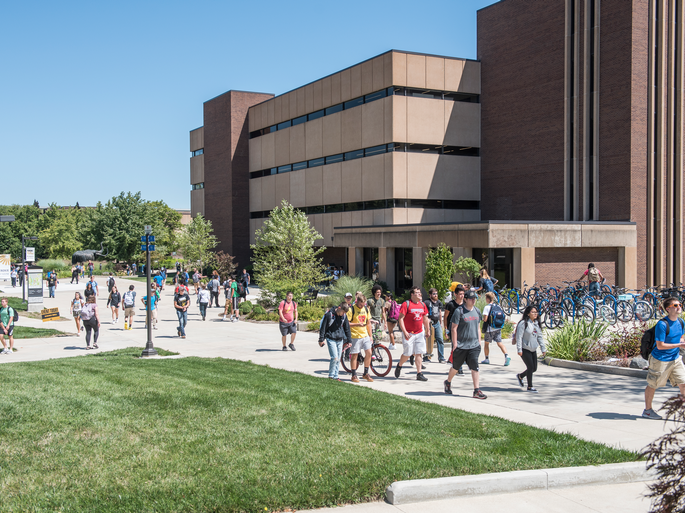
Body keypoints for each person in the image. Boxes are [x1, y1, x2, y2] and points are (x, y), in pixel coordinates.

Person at [642, 296, 685, 419]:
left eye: (680, 305)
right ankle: (648, 410)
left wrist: (682, 344)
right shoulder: (662, 324)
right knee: (653, 385)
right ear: (668, 309)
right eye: (675, 305)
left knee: (683, 383)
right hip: (660, 360)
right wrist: (680, 345)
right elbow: (660, 346)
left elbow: (680, 338)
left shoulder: (681, 322)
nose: (679, 307)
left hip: (675, 359)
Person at [444, 289, 487, 399]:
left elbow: (478, 327)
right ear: (466, 299)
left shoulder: (477, 311)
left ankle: (476, 390)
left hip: (473, 345)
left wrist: (479, 341)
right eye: (471, 299)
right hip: (461, 345)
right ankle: (448, 382)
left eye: (474, 299)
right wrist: (454, 344)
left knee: (475, 367)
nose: (473, 300)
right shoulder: (459, 311)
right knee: (456, 367)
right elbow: (454, 328)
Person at [394, 286, 430, 381]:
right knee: (407, 353)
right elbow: (401, 318)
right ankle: (399, 365)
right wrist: (405, 332)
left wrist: (428, 329)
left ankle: (419, 373)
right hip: (409, 333)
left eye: (420, 292)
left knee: (419, 353)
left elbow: (425, 318)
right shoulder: (406, 304)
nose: (419, 294)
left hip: (419, 333)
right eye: (417, 292)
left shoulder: (422, 305)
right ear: (412, 294)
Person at [515, 305, 547, 392]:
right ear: (528, 313)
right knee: (530, 367)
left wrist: (543, 349)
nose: (535, 314)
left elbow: (539, 337)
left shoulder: (536, 323)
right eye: (533, 312)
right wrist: (519, 349)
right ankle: (530, 386)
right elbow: (519, 337)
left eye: (536, 312)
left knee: (534, 368)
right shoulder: (523, 323)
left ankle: (520, 376)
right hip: (525, 348)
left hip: (533, 349)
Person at [318, 303, 352, 381]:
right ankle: (331, 375)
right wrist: (321, 339)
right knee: (334, 357)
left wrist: (349, 340)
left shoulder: (344, 316)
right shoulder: (329, 315)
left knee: (339, 358)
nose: (343, 314)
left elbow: (347, 328)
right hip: (331, 338)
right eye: (343, 312)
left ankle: (336, 376)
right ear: (339, 308)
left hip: (340, 339)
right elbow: (323, 328)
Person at [347, 294, 373, 383]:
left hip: (365, 334)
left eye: (363, 304)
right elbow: (347, 323)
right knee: (355, 355)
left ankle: (366, 373)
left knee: (369, 353)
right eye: (361, 304)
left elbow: (368, 323)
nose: (362, 306)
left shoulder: (366, 309)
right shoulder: (351, 309)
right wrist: (357, 324)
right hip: (355, 335)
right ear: (357, 301)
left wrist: (371, 335)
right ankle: (353, 374)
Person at [481, 292, 511, 366]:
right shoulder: (498, 306)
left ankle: (487, 359)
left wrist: (481, 319)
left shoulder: (487, 307)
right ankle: (506, 355)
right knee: (500, 343)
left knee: (486, 343)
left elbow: (485, 319)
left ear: (488, 299)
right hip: (497, 328)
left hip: (489, 329)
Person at [444, 284, 466, 374]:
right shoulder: (451, 305)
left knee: (463, 348)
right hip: (453, 329)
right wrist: (446, 330)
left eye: (463, 294)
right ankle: (458, 368)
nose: (462, 296)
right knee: (456, 348)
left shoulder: (465, 305)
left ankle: (456, 364)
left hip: (463, 329)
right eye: (460, 294)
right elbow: (445, 317)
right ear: (456, 294)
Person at [424, 288, 445, 363]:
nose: (436, 295)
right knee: (428, 340)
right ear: (430, 295)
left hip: (437, 323)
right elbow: (424, 313)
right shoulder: (426, 302)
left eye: (436, 293)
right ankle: (427, 356)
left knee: (440, 340)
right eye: (434, 294)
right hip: (429, 323)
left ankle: (441, 357)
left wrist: (441, 322)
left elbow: (439, 312)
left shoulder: (439, 302)